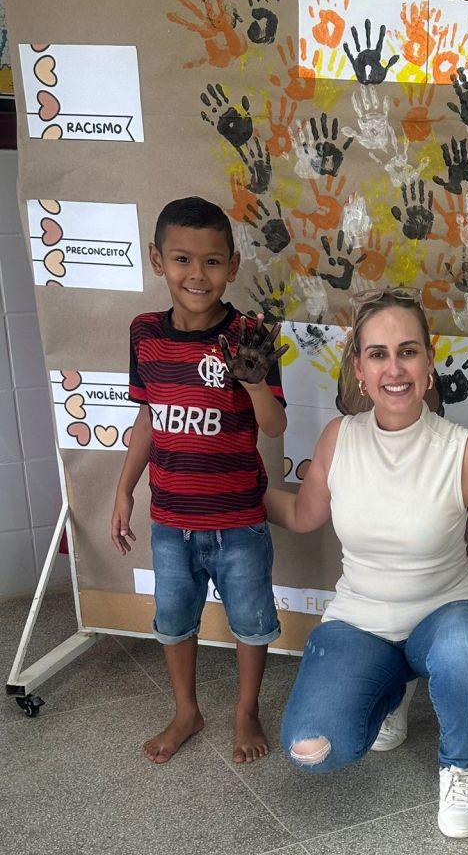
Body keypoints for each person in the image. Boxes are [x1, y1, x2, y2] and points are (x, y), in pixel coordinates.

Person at [264, 286, 468, 839]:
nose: (394, 369)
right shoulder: (338, 439)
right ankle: (394, 685)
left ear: (428, 361)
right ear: (360, 369)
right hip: (361, 621)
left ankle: (459, 765)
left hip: (452, 614)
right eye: (378, 354)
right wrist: (228, 490)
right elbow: (301, 514)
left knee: (465, 646)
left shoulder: (463, 449)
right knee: (311, 749)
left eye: (408, 351)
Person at [110, 196, 288, 765]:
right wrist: (124, 489)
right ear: (156, 260)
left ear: (232, 266)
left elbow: (274, 426)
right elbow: (148, 417)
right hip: (170, 521)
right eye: (182, 259)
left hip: (238, 521)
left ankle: (246, 709)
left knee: (252, 623)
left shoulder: (249, 334)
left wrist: (254, 381)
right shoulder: (144, 333)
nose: (197, 274)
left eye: (212, 261)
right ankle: (186, 710)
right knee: (173, 622)